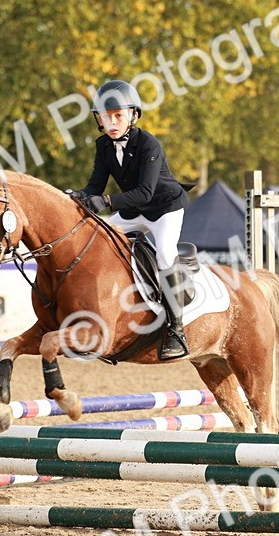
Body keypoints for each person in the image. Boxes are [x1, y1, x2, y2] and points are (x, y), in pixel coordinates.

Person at [69, 80, 192, 360]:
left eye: (118, 116)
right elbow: (94, 187)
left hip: (164, 209)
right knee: (98, 239)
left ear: (133, 115)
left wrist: (108, 202)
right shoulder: (103, 145)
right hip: (133, 210)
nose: (111, 123)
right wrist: (77, 196)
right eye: (105, 116)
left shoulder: (149, 143)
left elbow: (145, 192)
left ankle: (176, 329)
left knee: (164, 255)